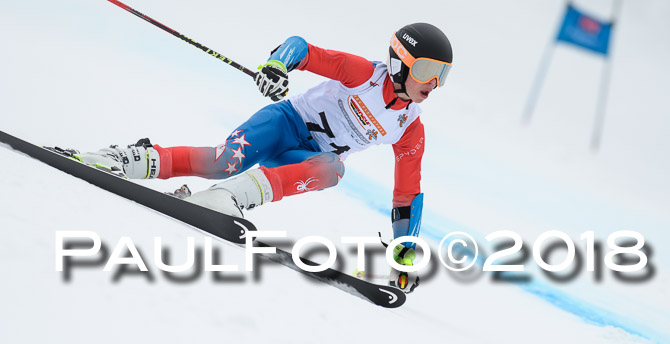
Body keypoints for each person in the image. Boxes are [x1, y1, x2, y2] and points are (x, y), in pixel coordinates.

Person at [64, 23, 453, 293]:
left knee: (332, 169)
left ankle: (227, 199)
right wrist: (277, 65)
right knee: (221, 162)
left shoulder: (409, 128)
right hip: (283, 123)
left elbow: (407, 197)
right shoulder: (363, 74)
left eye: (442, 76)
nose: (433, 84)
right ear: (401, 61)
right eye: (427, 71)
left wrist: (404, 255)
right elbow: (302, 48)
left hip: (306, 157)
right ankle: (125, 160)